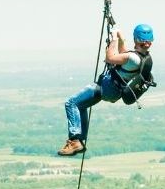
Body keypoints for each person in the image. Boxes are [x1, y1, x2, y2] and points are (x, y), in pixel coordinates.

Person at [58, 23, 154, 156]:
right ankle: (79, 141)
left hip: (107, 87)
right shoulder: (143, 58)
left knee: (71, 102)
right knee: (81, 105)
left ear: (136, 39)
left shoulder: (132, 57)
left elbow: (110, 58)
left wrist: (114, 39)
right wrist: (121, 39)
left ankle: (74, 141)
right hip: (114, 91)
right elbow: (124, 55)